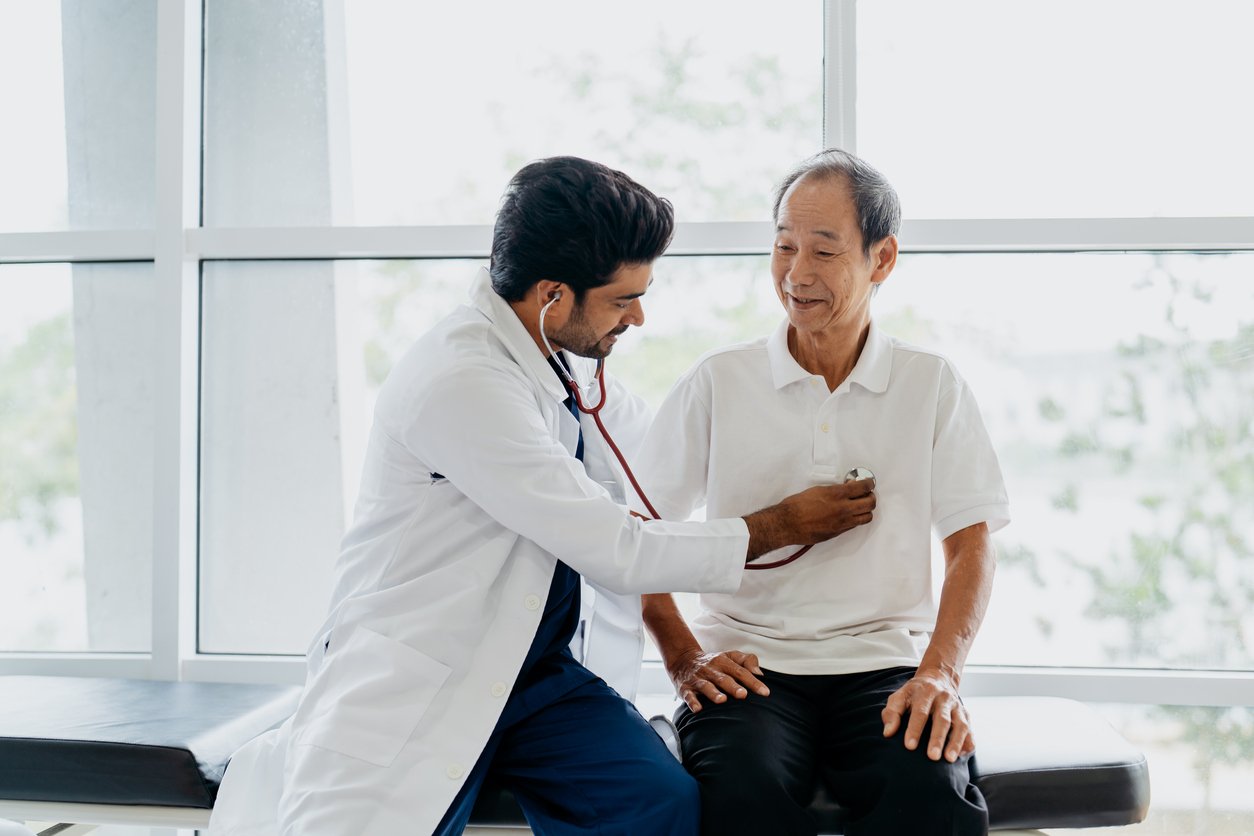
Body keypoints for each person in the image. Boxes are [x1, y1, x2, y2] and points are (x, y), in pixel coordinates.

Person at [207, 156, 884, 836]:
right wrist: (781, 524)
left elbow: (655, 456)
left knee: (658, 802)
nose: (640, 317)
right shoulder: (461, 380)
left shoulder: (558, 362)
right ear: (553, 295)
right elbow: (617, 546)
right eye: (624, 299)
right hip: (423, 673)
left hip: (539, 681)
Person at [636, 148, 1011, 836]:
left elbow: (972, 546)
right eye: (783, 247)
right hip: (748, 666)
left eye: (824, 251)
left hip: (884, 662)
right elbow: (636, 539)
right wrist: (685, 658)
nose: (796, 274)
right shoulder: (720, 381)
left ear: (882, 258)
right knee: (737, 793)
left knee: (928, 790)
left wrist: (939, 675)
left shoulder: (930, 384)